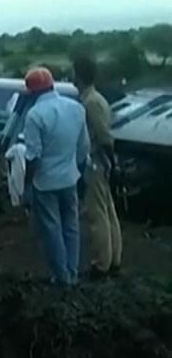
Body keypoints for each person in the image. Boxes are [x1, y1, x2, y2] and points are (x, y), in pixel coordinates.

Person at [23, 67, 90, 286]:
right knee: (72, 226)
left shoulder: (35, 115)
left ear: (33, 92)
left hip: (45, 183)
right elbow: (83, 147)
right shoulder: (76, 108)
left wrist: (27, 184)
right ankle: (72, 272)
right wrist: (77, 171)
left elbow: (33, 156)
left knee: (52, 229)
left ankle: (62, 277)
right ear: (52, 85)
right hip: (70, 178)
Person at [72, 54, 122, 279]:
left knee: (96, 214)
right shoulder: (96, 99)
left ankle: (101, 264)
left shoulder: (91, 102)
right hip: (101, 163)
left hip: (95, 162)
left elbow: (103, 136)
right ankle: (113, 260)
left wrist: (110, 161)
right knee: (108, 211)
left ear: (79, 75)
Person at [4, 133, 28, 214]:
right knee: (24, 189)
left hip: (16, 172)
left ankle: (18, 209)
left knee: (15, 190)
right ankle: (26, 210)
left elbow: (7, 156)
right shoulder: (26, 148)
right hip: (25, 171)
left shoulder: (14, 148)